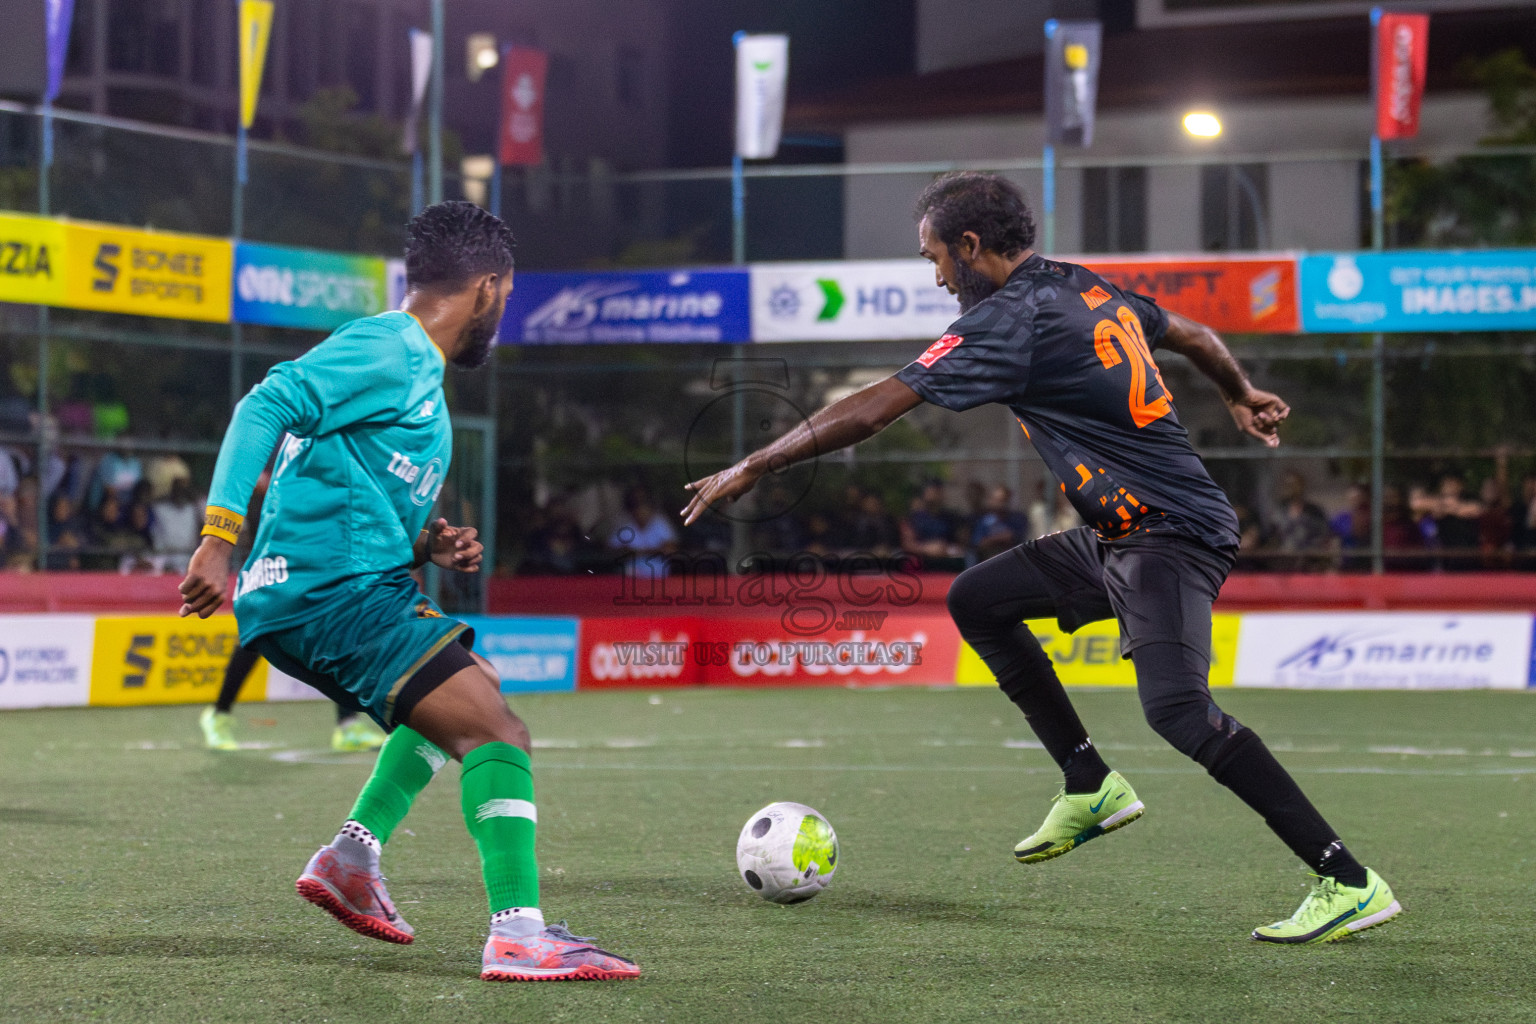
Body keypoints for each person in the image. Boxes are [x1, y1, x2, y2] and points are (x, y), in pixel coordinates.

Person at [682, 172, 1399, 945]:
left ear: (970, 247)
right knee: (977, 599)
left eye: (934, 259)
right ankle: (1089, 781)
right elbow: (1193, 336)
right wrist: (1240, 392)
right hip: (1118, 537)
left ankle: (1347, 879)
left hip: (1169, 534)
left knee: (1179, 712)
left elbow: (879, 404)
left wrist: (756, 464)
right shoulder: (1084, 287)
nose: (934, 277)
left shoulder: (1008, 320)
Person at [178, 201, 637, 982]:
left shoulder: (414, 372)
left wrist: (430, 541)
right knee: (499, 735)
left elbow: (357, 489)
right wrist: (218, 537)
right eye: (509, 296)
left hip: (344, 583)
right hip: (333, 591)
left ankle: (351, 859)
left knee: (472, 690)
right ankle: (519, 934)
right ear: (490, 288)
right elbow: (266, 403)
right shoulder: (392, 346)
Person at [197, 464, 388, 754]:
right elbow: (251, 477)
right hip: (270, 551)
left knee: (339, 625)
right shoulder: (276, 432)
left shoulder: (326, 436)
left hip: (311, 547)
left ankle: (348, 724)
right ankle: (218, 714)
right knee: (258, 636)